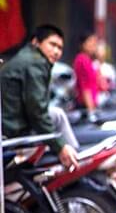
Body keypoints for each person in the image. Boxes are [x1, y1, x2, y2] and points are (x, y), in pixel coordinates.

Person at [0, 24, 79, 169]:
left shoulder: (29, 58)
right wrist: (61, 146)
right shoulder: (35, 63)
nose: (56, 51)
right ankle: (75, 161)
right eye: (52, 45)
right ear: (36, 42)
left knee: (55, 114)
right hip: (13, 129)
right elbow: (37, 112)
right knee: (57, 115)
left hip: (14, 123)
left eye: (60, 48)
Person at [73, 32, 100, 115]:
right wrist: (91, 110)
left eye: (95, 42)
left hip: (92, 103)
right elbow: (85, 87)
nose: (94, 45)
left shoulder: (89, 60)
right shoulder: (82, 60)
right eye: (91, 41)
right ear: (83, 44)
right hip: (86, 105)